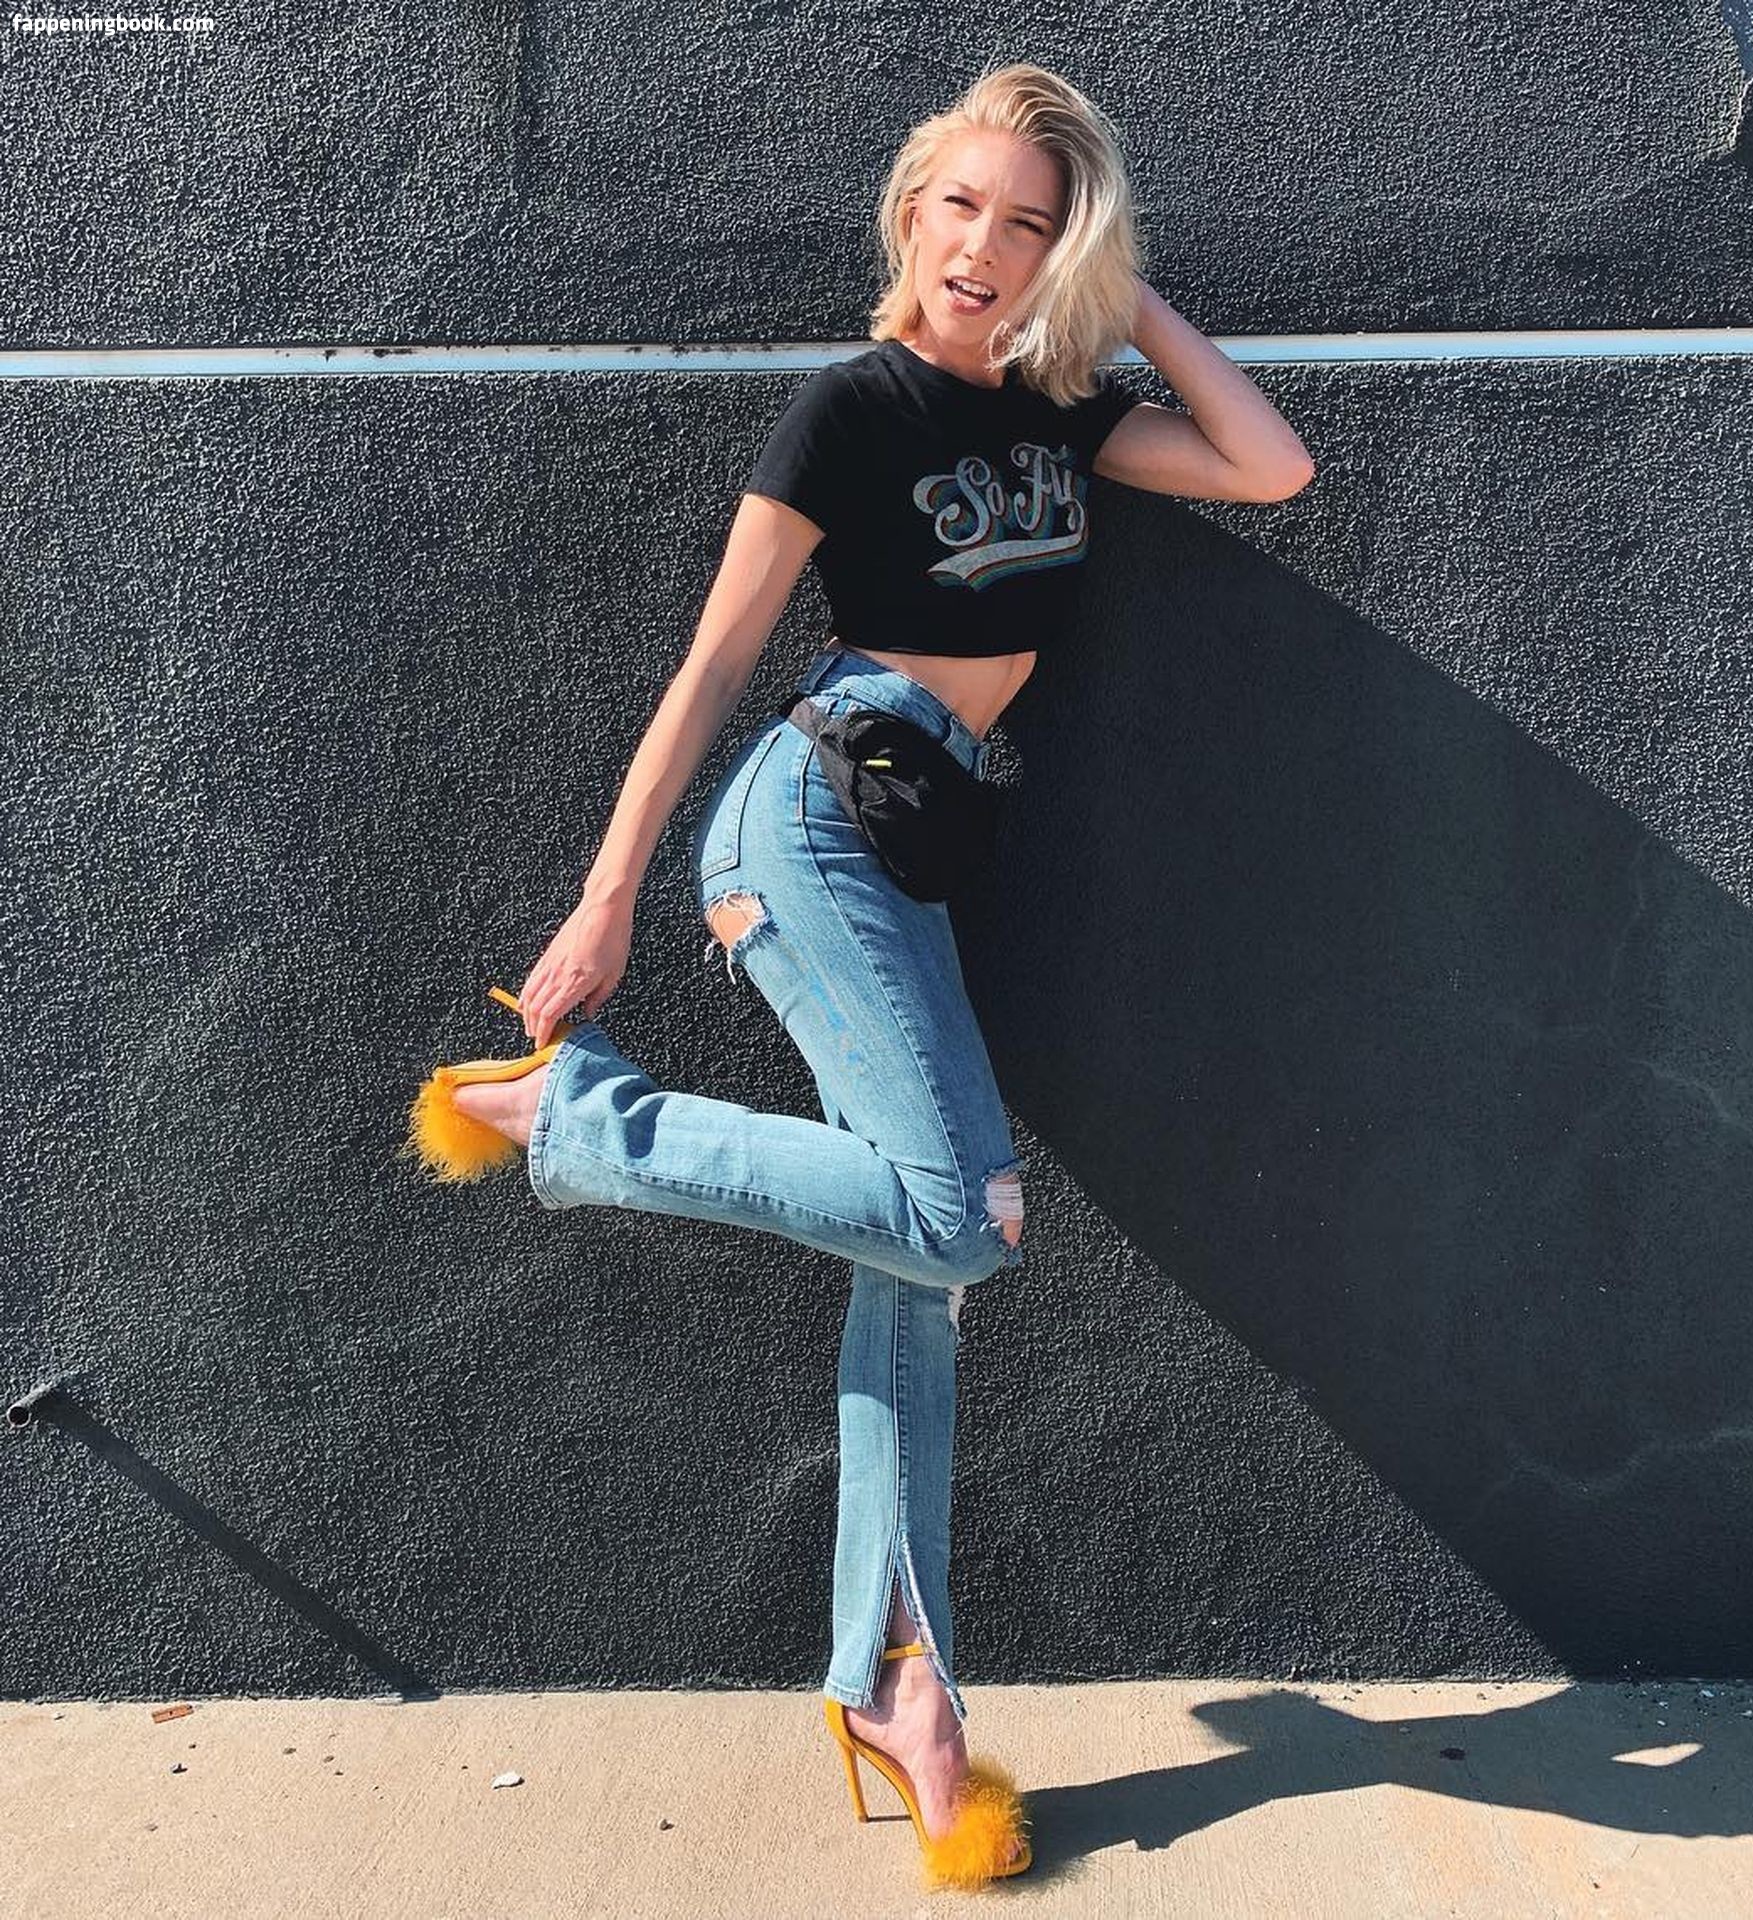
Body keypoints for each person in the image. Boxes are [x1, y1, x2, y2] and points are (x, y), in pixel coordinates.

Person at [407, 60, 1315, 1893]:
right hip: (815, 813)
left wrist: (1124, 296)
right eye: (962, 205)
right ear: (909, 212)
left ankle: (900, 1680)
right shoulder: (848, 407)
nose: (985, 246)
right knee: (962, 1217)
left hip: (920, 838)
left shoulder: (1062, 407)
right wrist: (605, 899)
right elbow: (708, 664)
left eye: (1030, 224)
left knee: (913, 1262)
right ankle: (579, 1119)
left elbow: (1267, 464)